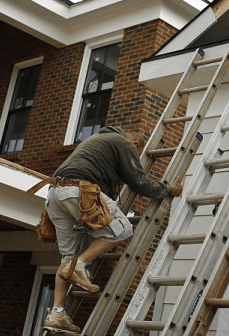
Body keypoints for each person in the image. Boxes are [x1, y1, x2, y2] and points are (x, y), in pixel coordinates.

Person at [41, 126, 183, 333]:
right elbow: (139, 183)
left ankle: (57, 313)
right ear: (135, 144)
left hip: (55, 195)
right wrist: (169, 189)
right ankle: (79, 265)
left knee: (68, 257)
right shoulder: (125, 144)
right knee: (122, 229)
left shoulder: (98, 142)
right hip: (78, 190)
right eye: (137, 155)